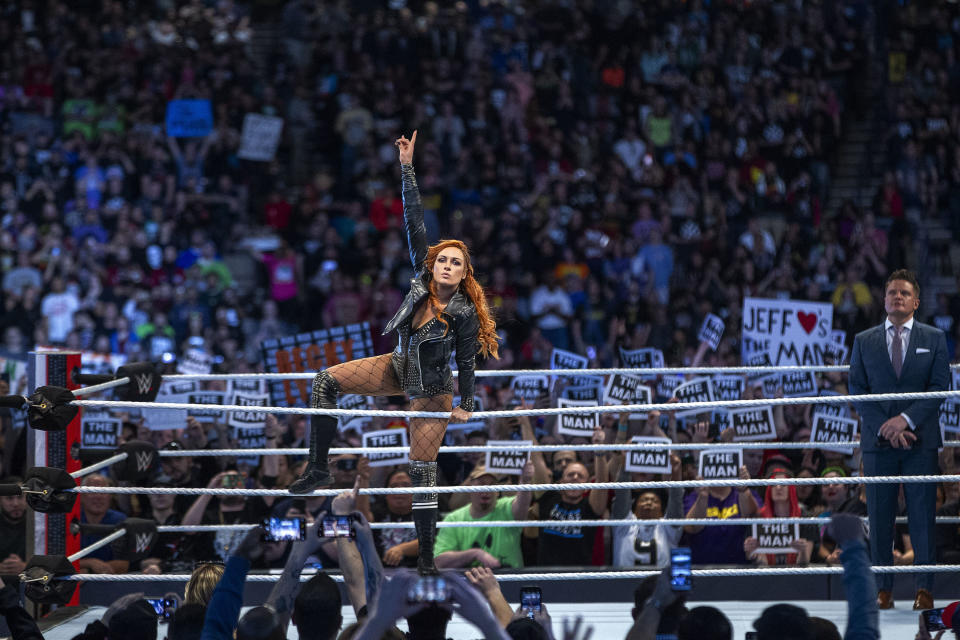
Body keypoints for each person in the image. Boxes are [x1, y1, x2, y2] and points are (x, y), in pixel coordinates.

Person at [289, 130, 499, 577]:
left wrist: (466, 404)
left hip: (434, 391)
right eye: (442, 259)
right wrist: (407, 168)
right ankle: (319, 468)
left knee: (421, 468)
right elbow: (414, 220)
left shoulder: (461, 311)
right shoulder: (421, 280)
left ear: (464, 275)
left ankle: (424, 553)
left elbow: (467, 359)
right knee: (325, 380)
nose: (445, 265)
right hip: (398, 366)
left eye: (455, 263)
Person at [848, 269, 950, 610]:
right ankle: (883, 589)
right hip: (879, 442)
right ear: (884, 299)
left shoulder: (934, 338)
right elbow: (857, 390)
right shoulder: (864, 340)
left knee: (923, 514)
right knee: (879, 515)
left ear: (916, 301)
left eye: (904, 293)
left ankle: (924, 588)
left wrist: (904, 420)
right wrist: (886, 427)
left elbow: (939, 389)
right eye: (892, 292)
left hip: (920, 439)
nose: (897, 297)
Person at [434, 462, 534, 569]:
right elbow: (439, 562)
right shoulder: (453, 520)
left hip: (509, 581)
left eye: (491, 485)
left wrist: (525, 481)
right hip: (469, 583)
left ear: (497, 491)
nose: (486, 489)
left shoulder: (506, 508)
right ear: (470, 488)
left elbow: (522, 504)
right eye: (481, 484)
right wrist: (475, 554)